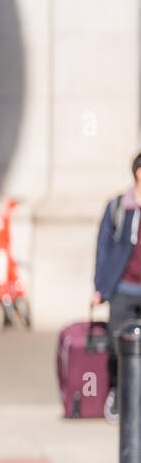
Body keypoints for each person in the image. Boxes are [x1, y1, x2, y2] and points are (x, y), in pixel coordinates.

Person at [93, 151, 141, 420]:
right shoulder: (120, 206)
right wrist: (100, 287)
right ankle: (119, 395)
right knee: (116, 345)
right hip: (123, 287)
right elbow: (104, 247)